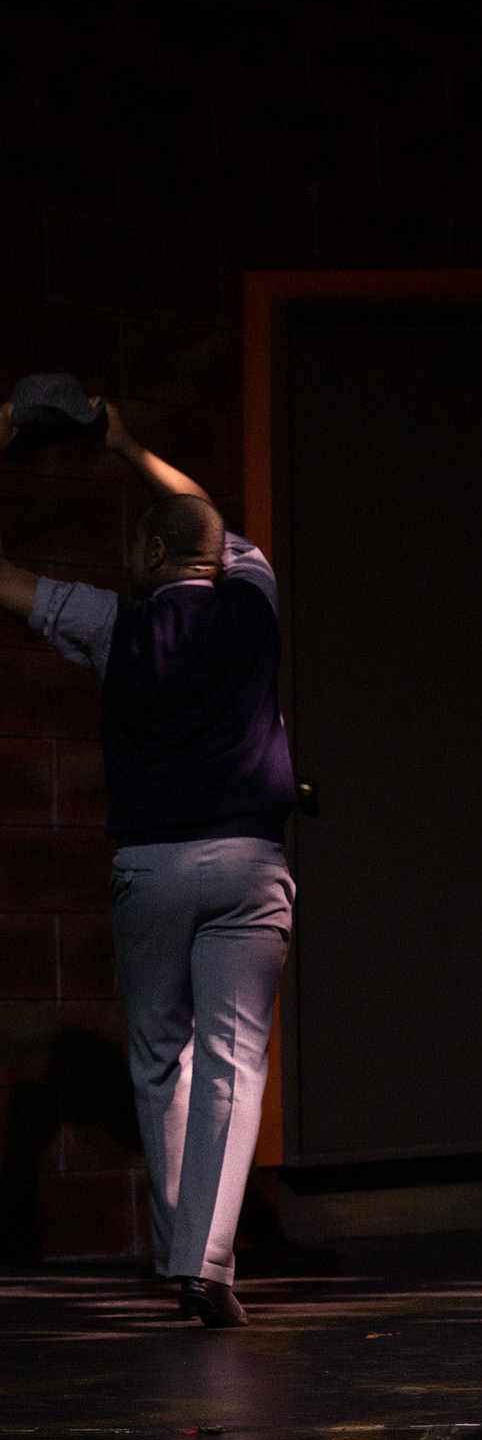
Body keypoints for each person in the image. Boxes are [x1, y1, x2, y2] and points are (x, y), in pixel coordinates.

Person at [0, 400, 294, 1327]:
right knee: (234, 1063)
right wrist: (127, 445)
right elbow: (206, 516)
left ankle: (185, 1257)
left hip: (154, 868)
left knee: (162, 1057)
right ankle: (205, 1262)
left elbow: (8, 582)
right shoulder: (255, 600)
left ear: (154, 555)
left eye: (138, 545)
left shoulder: (112, 624)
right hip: (250, 863)